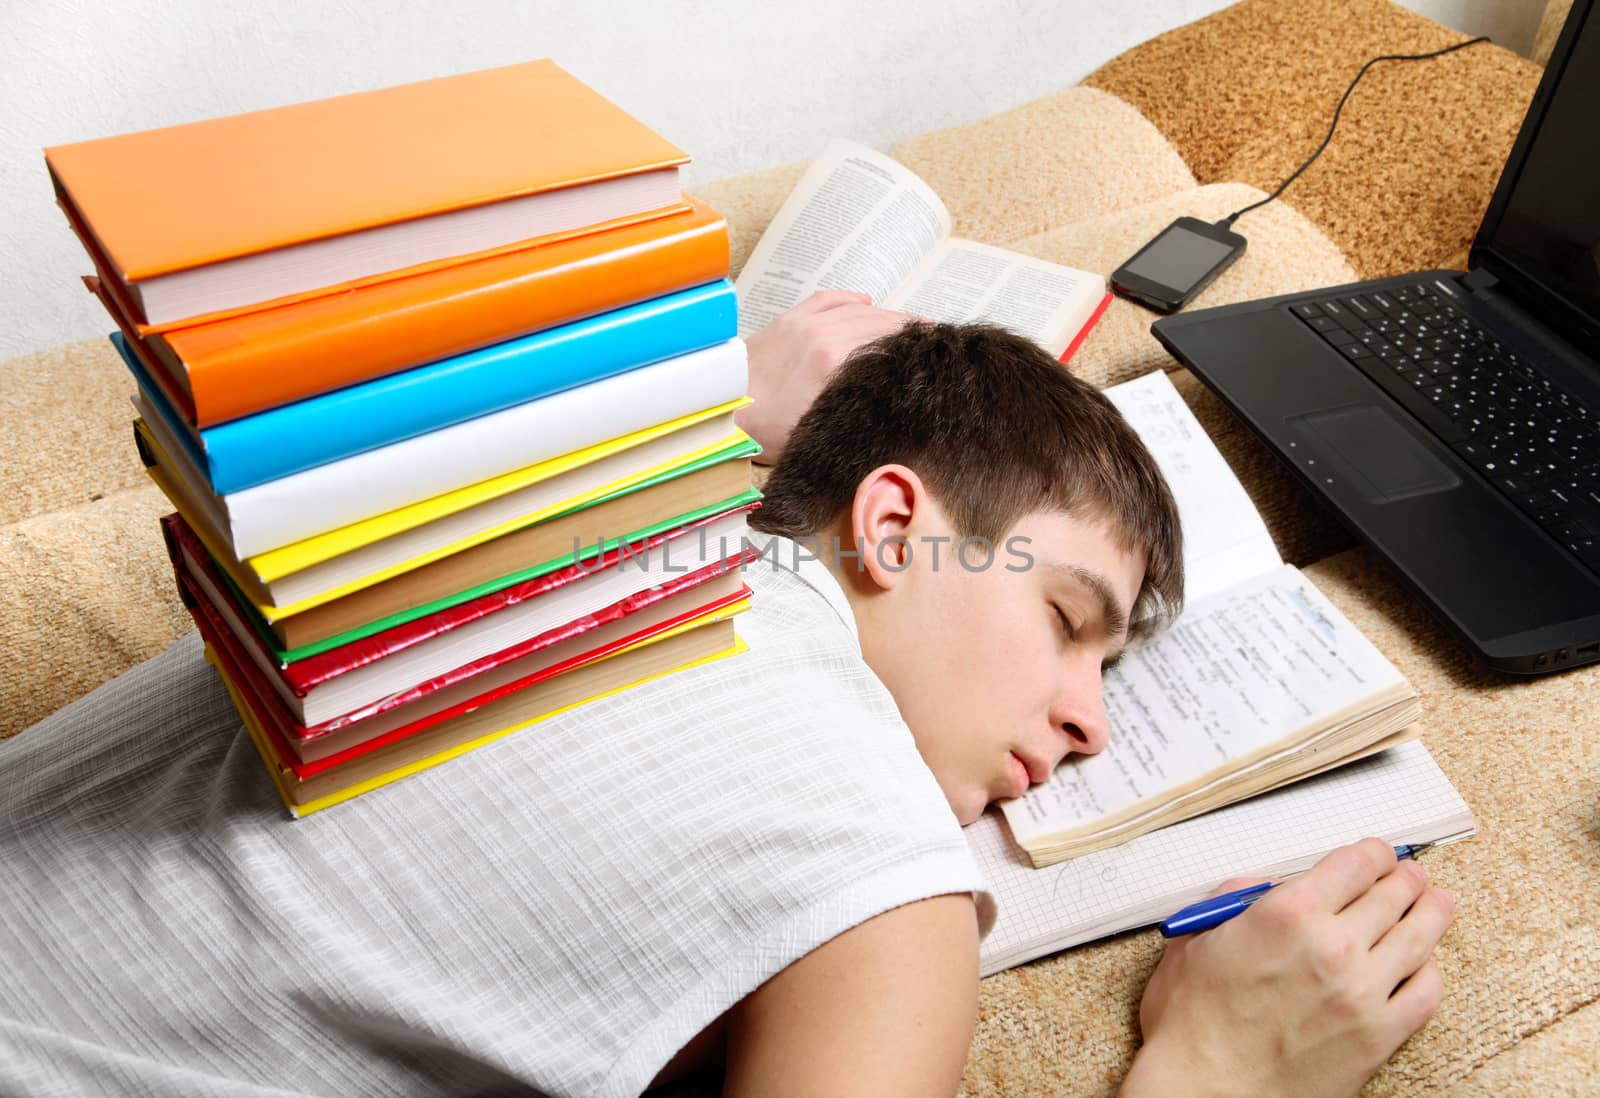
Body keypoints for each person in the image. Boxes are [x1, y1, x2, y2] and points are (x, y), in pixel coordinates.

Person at [0, 301, 1454, 1098]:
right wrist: (1217, 1067)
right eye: (1068, 619)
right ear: (891, 527)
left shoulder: (573, 531)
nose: (1091, 718)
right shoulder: (875, 863)